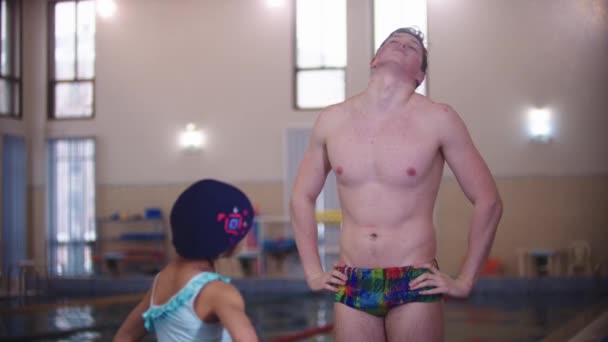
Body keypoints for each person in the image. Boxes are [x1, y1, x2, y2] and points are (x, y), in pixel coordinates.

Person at [290, 27, 503, 341]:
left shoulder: (439, 118)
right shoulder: (331, 120)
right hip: (353, 278)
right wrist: (312, 272)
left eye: (412, 46)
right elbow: (301, 197)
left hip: (414, 280)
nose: (403, 44)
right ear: (375, 59)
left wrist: (465, 280)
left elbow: (489, 200)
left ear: (420, 73)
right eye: (394, 41)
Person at [114, 179, 259, 342]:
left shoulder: (161, 282)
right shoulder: (219, 292)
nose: (247, 237)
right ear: (229, 237)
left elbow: (125, 336)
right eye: (245, 231)